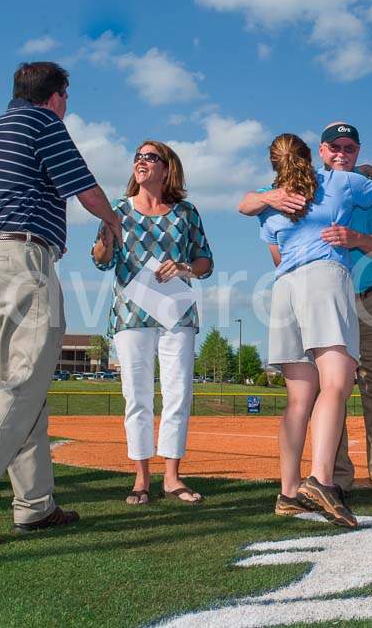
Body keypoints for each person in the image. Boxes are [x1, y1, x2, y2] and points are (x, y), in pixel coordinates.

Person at [0, 62, 122, 546]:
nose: (67, 106)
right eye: (67, 97)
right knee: (24, 385)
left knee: (17, 388)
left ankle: (34, 505)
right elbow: (85, 188)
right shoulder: (44, 123)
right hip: (20, 260)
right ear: (56, 96)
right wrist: (114, 222)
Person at [238, 121, 372, 505]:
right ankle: (332, 478)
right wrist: (268, 198)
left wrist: (357, 239)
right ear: (320, 151)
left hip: (367, 297)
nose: (342, 153)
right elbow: (250, 201)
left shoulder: (360, 188)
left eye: (350, 148)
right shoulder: (299, 189)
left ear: (358, 152)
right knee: (331, 387)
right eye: (334, 147)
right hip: (325, 293)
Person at [92, 140, 213, 505]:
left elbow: (205, 262)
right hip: (131, 314)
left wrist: (185, 267)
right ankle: (141, 478)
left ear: (166, 168)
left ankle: (173, 477)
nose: (141, 162)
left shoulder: (186, 213)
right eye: (138, 157)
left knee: (178, 394)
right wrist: (104, 240)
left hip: (177, 313)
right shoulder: (117, 209)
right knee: (137, 396)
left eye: (150, 157)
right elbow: (100, 261)